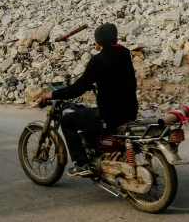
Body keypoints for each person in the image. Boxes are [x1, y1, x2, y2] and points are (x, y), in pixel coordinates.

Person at [40, 23, 138, 177]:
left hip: (109, 116)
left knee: (68, 121)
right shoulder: (125, 54)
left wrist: (52, 95)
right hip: (130, 112)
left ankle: (81, 163)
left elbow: (78, 88)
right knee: (87, 114)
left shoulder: (98, 60)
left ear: (100, 41)